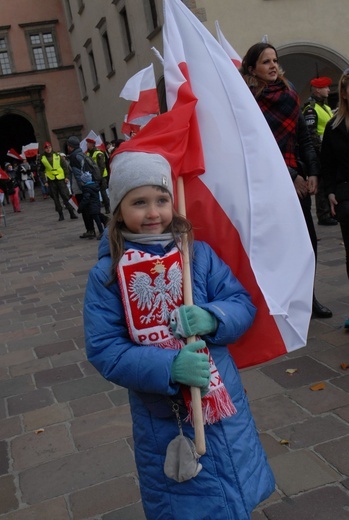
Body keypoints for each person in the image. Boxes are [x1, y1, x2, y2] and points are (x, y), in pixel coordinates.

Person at [84, 151, 275, 520]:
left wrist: (212, 317)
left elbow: (240, 303)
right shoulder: (107, 274)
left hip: (224, 406)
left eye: (161, 200)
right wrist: (170, 366)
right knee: (190, 503)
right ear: (118, 210)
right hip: (166, 416)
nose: (153, 212)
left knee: (235, 493)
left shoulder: (197, 255)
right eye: (139, 202)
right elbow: (106, 349)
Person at [240, 42, 332, 319]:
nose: (272, 66)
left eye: (274, 60)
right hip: (268, 181)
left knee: (307, 239)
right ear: (252, 67)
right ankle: (280, 298)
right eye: (265, 61)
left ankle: (308, 297)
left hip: (298, 175)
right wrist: (291, 176)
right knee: (278, 243)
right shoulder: (247, 99)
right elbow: (256, 145)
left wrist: (313, 172)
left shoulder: (290, 93)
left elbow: (303, 137)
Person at [321, 69, 349, 328]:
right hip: (346, 195)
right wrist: (329, 191)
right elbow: (327, 163)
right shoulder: (334, 125)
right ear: (344, 92)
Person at [303, 76, 337, 226]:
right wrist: (319, 152)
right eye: (325, 87)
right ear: (317, 90)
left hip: (329, 151)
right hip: (319, 152)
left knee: (328, 182)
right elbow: (311, 133)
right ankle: (323, 214)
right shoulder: (311, 109)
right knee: (322, 184)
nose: (329, 89)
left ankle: (330, 211)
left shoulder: (326, 107)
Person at [67, 135, 108, 239]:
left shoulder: (74, 157)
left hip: (82, 186)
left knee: (87, 209)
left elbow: (77, 174)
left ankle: (95, 226)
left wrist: (82, 188)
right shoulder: (82, 154)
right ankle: (92, 228)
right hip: (88, 184)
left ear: (70, 146)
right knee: (89, 209)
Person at [38, 141, 78, 221]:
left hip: (61, 179)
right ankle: (60, 214)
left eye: (49, 147)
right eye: (46, 148)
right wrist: (44, 181)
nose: (48, 149)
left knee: (66, 196)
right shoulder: (42, 158)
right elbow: (41, 171)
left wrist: (66, 177)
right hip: (51, 181)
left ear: (51, 148)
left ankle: (72, 213)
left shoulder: (57, 156)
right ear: (44, 149)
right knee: (55, 199)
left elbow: (64, 167)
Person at [86, 137, 110, 214]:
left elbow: (102, 166)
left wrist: (99, 177)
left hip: (101, 176)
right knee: (95, 193)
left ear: (92, 145)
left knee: (103, 192)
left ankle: (107, 207)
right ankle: (98, 208)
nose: (87, 145)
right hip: (93, 176)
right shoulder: (88, 154)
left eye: (88, 144)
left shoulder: (99, 153)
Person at [77, 172, 105, 240]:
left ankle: (102, 232)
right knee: (97, 219)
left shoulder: (87, 188)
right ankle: (101, 231)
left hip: (92, 206)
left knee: (97, 220)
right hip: (96, 205)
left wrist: (80, 207)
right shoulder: (94, 186)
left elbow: (86, 199)